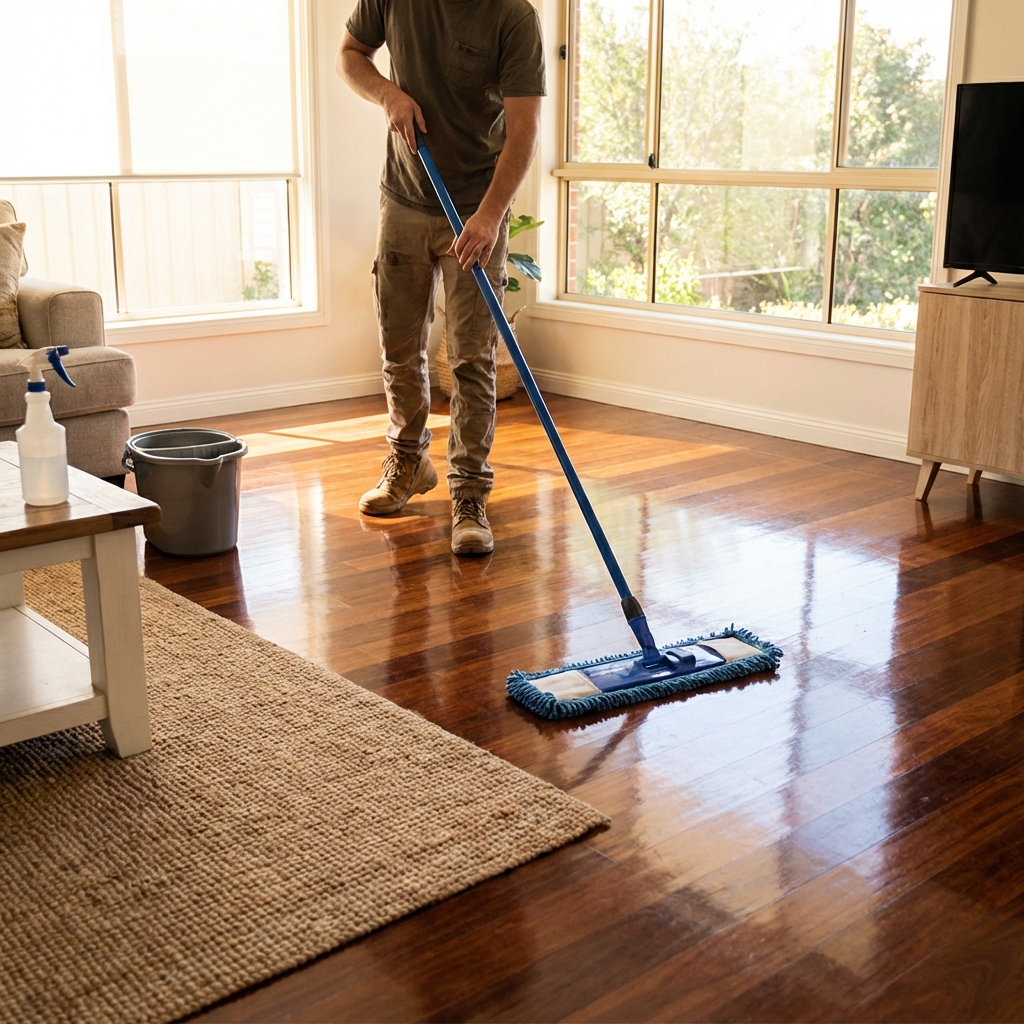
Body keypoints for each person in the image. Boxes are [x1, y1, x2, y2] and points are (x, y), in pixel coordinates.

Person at [338, 0, 545, 555]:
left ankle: (470, 494)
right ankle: (409, 462)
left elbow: (524, 128)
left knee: (472, 357)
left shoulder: (513, 17)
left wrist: (490, 215)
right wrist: (388, 93)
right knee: (399, 348)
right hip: (404, 197)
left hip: (477, 205)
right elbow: (351, 54)